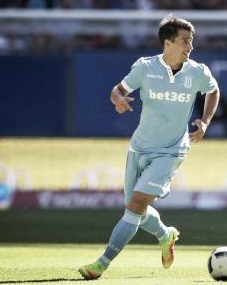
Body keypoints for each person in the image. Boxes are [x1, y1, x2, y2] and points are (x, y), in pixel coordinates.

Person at [78, 14, 219, 280]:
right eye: (185, 41)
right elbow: (117, 90)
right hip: (139, 147)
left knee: (136, 204)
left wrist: (206, 121)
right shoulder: (145, 67)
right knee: (136, 211)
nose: (190, 47)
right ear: (167, 43)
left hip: (171, 150)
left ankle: (101, 264)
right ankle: (166, 235)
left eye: (191, 41)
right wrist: (118, 100)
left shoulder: (197, 72)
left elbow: (213, 91)